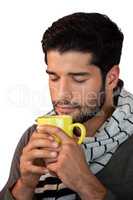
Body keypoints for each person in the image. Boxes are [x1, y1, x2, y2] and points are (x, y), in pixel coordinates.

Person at [1, 12, 133, 200]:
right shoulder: (34, 136)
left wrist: (85, 184)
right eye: (53, 77)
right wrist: (25, 184)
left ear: (111, 78)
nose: (61, 94)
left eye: (78, 79)